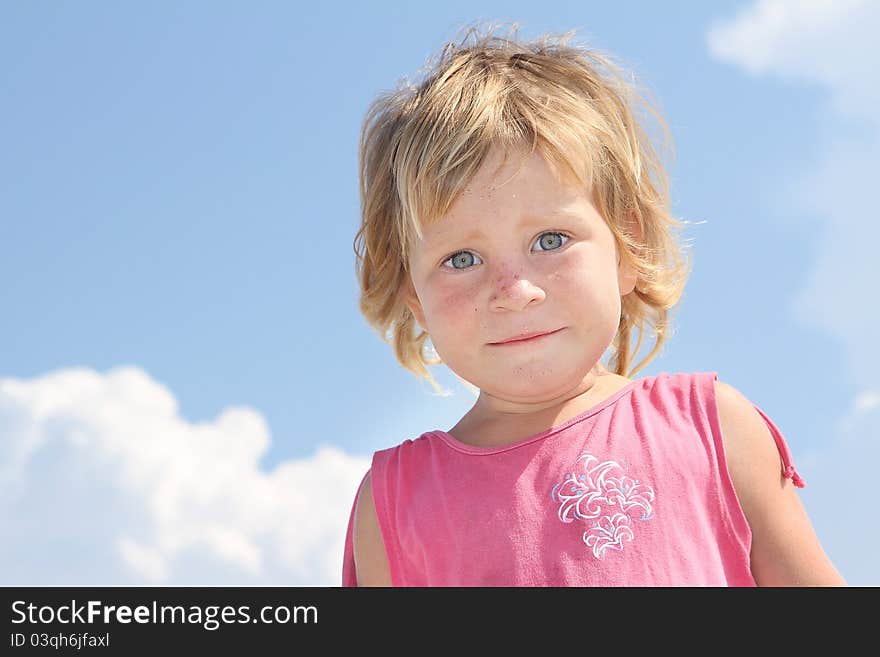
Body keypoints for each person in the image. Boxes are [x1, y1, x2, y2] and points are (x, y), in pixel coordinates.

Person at [342, 23, 846, 586]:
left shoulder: (715, 429)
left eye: (550, 241)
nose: (514, 290)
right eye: (461, 259)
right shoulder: (390, 504)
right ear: (415, 296)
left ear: (626, 251)